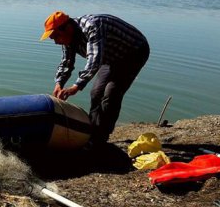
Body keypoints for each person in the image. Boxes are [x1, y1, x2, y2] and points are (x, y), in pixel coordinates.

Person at [40, 11, 150, 147]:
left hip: (133, 51)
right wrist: (59, 83)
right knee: (96, 92)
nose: (56, 41)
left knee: (111, 93)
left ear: (67, 28)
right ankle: (90, 133)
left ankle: (101, 137)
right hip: (110, 57)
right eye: (53, 38)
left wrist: (76, 86)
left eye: (56, 36)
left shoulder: (92, 26)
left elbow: (94, 60)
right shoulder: (68, 38)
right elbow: (67, 62)